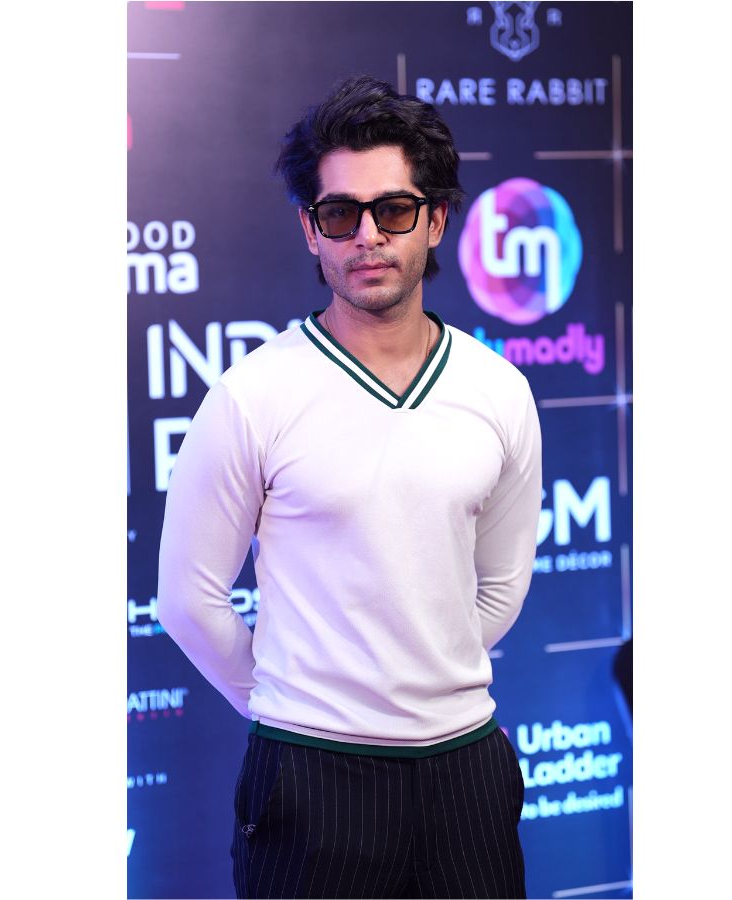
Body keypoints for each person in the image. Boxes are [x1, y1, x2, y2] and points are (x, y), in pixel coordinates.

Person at [157, 74, 542, 899]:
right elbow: (188, 599)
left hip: (466, 771)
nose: (368, 236)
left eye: (394, 210)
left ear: (435, 220)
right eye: (340, 214)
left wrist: (424, 670)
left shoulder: (499, 389)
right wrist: (292, 702)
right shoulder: (252, 395)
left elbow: (504, 581)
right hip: (310, 780)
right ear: (311, 229)